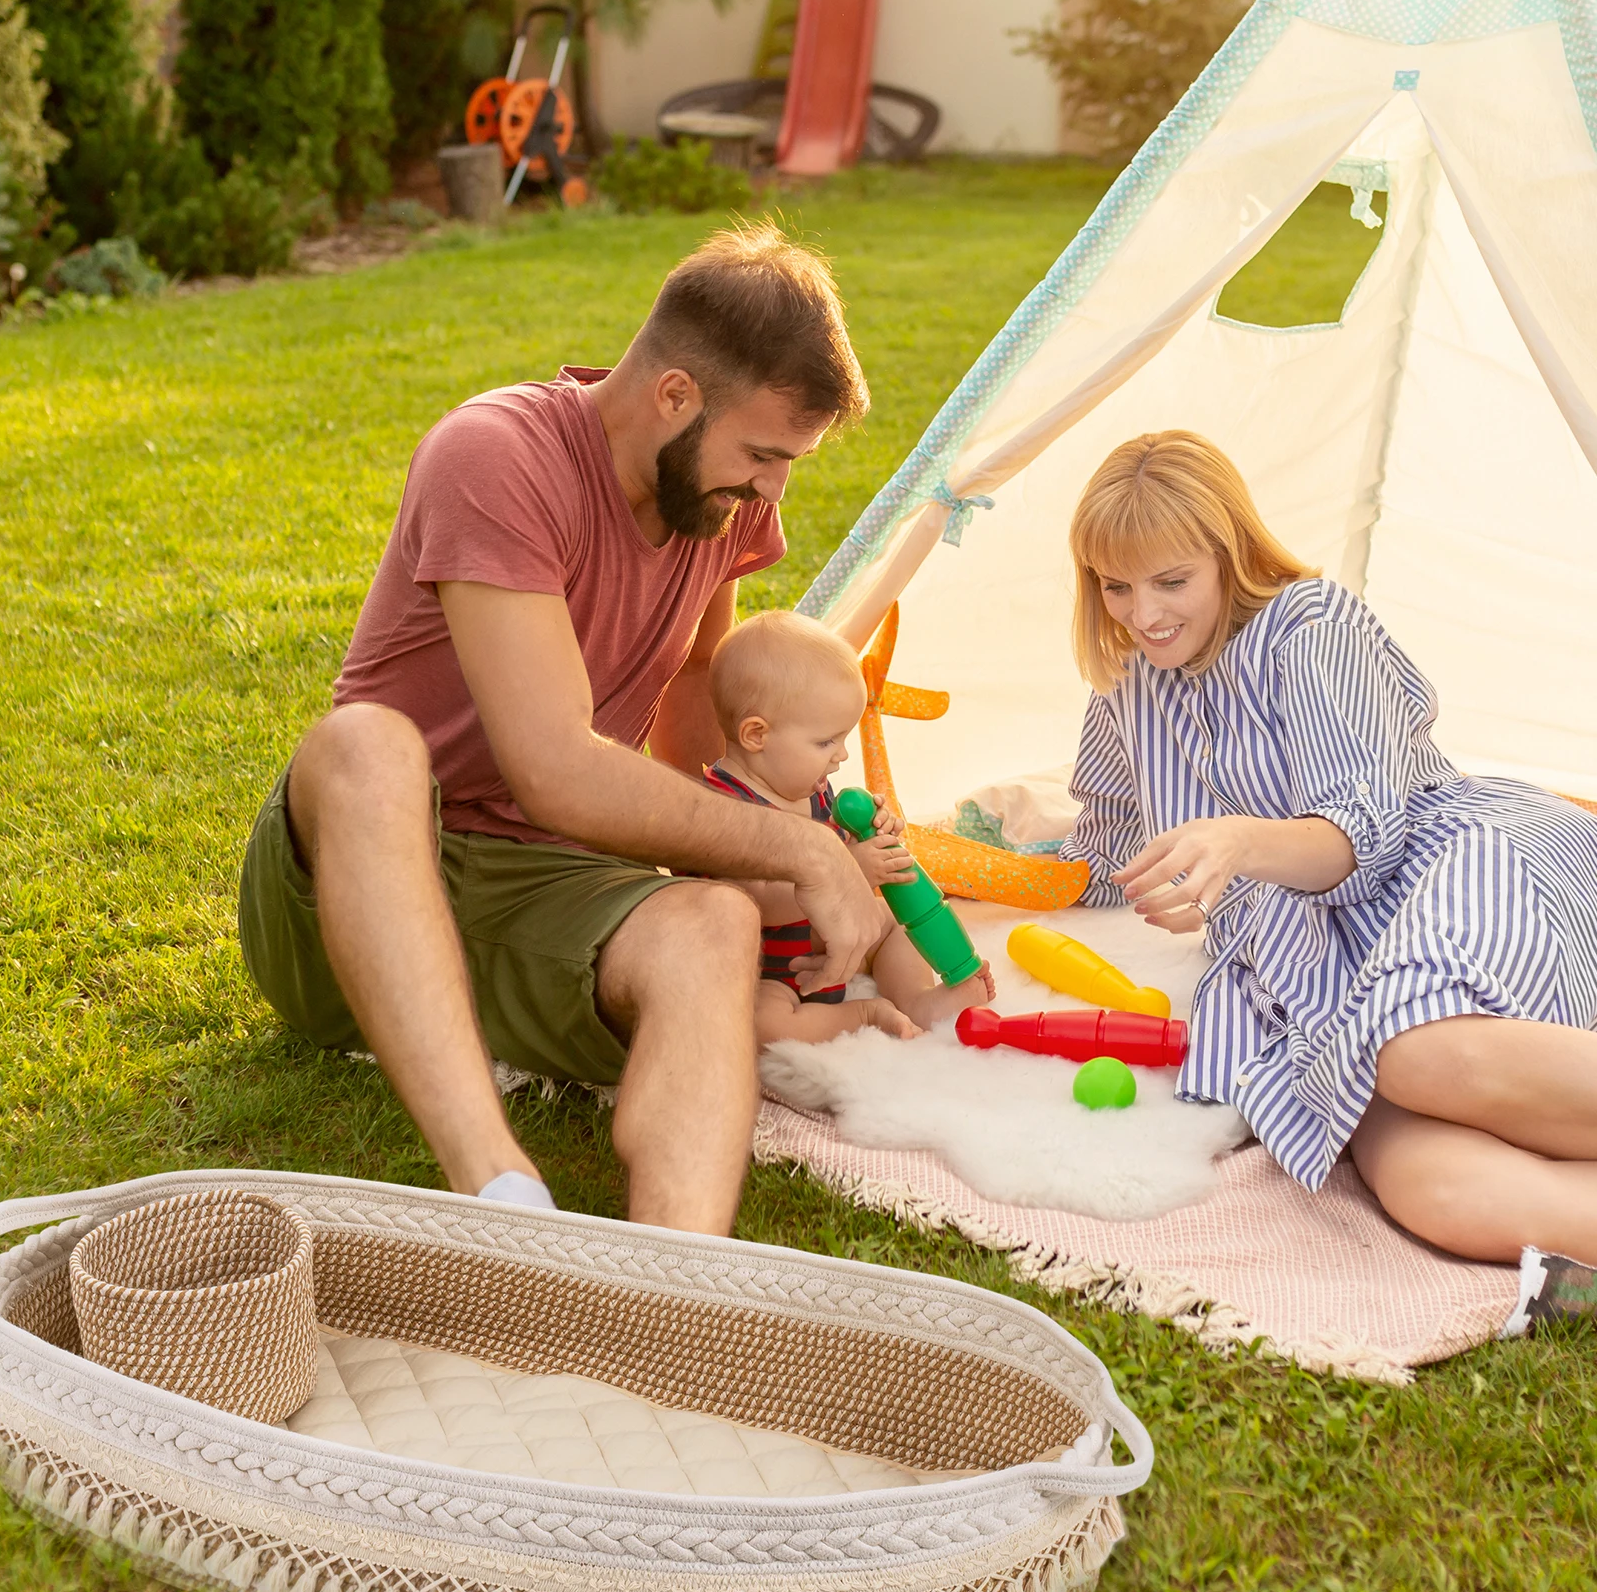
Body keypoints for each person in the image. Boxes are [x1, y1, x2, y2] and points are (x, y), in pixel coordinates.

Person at [237, 225, 891, 1237]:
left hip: (541, 895)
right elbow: (550, 768)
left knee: (712, 925)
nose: (771, 490)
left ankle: (675, 1274)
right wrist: (797, 849)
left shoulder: (713, 506)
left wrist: (798, 855)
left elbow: (691, 708)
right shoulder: (493, 454)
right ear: (674, 395)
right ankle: (504, 1196)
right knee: (368, 744)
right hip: (356, 878)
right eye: (762, 453)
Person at [1059, 431, 1597, 1316]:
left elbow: (1366, 837)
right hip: (1314, 967)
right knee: (1436, 1193)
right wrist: (942, 855)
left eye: (1171, 580)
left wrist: (1237, 843)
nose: (1142, 613)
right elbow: (1104, 851)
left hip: (1448, 864)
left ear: (1228, 554)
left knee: (1419, 1055)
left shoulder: (1311, 626)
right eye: (1116, 586)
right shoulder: (1127, 684)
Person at [701, 610, 993, 1045]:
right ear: (757, 735)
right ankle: (866, 1014)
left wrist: (871, 835)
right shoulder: (724, 806)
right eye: (825, 742)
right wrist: (848, 870)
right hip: (775, 970)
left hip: (837, 943)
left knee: (893, 923)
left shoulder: (811, 787)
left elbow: (844, 845)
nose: (841, 757)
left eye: (842, 739)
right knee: (763, 1026)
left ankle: (915, 998)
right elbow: (757, 902)